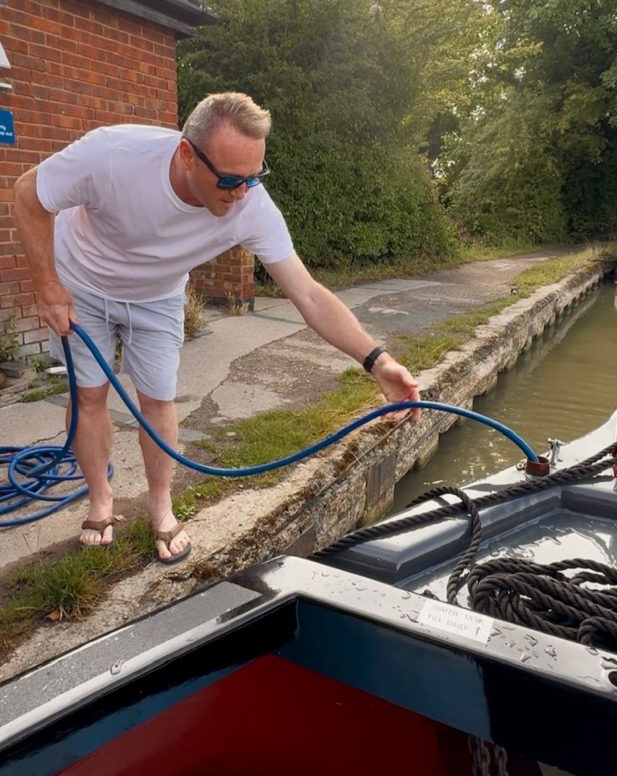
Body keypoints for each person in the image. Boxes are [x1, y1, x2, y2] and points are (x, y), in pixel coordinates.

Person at [13, 92, 420, 563]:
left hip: (158, 296)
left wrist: (378, 361)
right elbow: (27, 193)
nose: (241, 192)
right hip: (82, 283)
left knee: (158, 399)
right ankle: (100, 500)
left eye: (254, 177)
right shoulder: (113, 155)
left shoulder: (250, 205)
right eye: (229, 179)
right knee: (88, 395)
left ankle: (160, 505)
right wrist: (48, 286)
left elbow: (308, 294)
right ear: (187, 154)